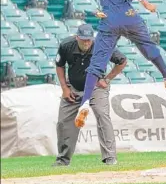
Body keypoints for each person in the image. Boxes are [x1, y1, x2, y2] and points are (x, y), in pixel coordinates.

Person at [46, 0, 166, 129]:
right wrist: (145, 3)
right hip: (128, 14)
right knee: (148, 47)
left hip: (108, 18)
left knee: (97, 63)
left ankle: (84, 102)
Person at [53, 24, 127, 166]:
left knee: (102, 115)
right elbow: (60, 65)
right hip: (73, 87)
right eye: (83, 40)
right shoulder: (66, 45)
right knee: (63, 122)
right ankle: (63, 159)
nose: (86, 42)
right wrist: (64, 88)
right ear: (77, 37)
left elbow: (122, 61)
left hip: (96, 87)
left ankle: (110, 157)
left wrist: (107, 79)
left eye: (89, 40)